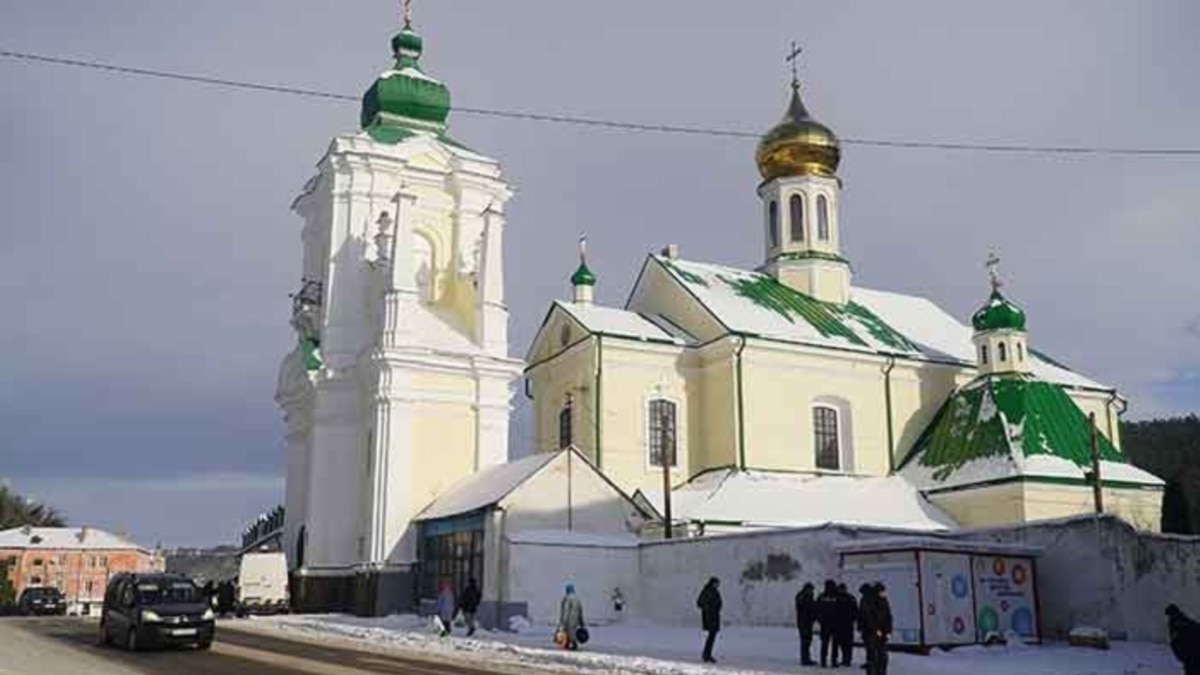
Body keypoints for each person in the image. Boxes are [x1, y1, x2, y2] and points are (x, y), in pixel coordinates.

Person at [861, 582, 894, 675]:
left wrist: (888, 630)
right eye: (881, 591)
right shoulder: (868, 601)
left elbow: (888, 616)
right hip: (871, 632)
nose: (883, 593)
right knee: (873, 655)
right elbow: (869, 617)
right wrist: (876, 630)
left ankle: (882, 672)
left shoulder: (884, 600)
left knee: (883, 656)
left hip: (882, 631)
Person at [1167, 604, 1200, 675]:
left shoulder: (1176, 624)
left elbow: (1175, 641)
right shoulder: (1185, 619)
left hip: (1190, 653)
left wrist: (1181, 655)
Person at [696, 577, 722, 663]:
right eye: (717, 583)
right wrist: (709, 609)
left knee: (711, 637)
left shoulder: (713, 591)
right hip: (710, 618)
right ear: (713, 583)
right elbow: (700, 603)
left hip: (713, 617)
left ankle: (707, 655)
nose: (718, 585)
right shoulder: (707, 590)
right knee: (711, 637)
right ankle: (706, 655)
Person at [816, 579, 841, 668]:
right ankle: (833, 661)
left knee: (824, 643)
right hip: (835, 624)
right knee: (835, 644)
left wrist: (821, 621)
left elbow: (817, 610)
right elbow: (842, 611)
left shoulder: (821, 596)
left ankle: (823, 661)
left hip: (825, 624)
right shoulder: (838, 596)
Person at [835, 583, 858, 667]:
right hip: (847, 625)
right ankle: (846, 659)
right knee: (846, 644)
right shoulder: (851, 598)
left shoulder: (836, 598)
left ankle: (846, 659)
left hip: (840, 625)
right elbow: (856, 612)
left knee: (843, 644)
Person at [794, 582, 818, 666]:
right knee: (805, 641)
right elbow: (806, 608)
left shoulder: (805, 596)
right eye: (811, 590)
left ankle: (806, 658)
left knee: (807, 641)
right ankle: (805, 659)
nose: (812, 592)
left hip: (807, 622)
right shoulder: (803, 597)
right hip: (804, 622)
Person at [558, 583, 585, 651]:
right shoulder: (578, 599)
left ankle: (572, 644)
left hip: (568, 619)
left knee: (568, 632)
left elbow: (565, 610)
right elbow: (580, 611)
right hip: (576, 620)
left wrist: (562, 621)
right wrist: (582, 622)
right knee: (572, 632)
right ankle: (568, 644)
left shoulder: (567, 599)